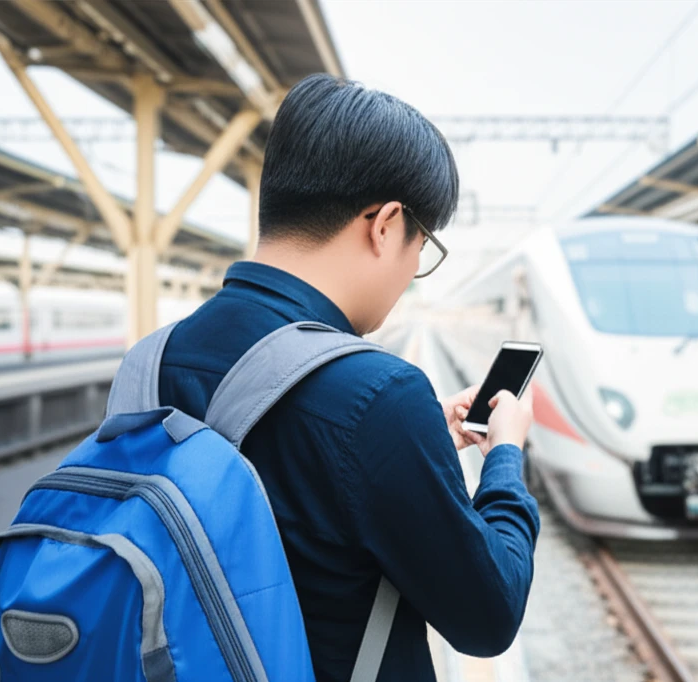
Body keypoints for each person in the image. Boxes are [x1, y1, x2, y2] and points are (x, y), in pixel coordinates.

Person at [158, 74, 540, 681]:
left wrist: (421, 446)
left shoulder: (151, 361)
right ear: (385, 225)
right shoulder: (380, 395)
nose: (413, 272)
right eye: (422, 248)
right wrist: (506, 456)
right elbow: (489, 616)